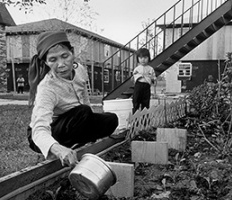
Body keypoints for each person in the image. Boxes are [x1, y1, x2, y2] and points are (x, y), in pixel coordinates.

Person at [27, 31, 118, 167]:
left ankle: (79, 144)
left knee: (111, 119)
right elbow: (39, 129)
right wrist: (58, 149)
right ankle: (58, 150)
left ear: (72, 53)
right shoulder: (47, 88)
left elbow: (85, 98)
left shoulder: (80, 70)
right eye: (53, 60)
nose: (61, 64)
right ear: (46, 62)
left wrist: (92, 125)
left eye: (65, 56)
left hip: (76, 121)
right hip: (49, 132)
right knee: (83, 112)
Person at [132, 48, 156, 114]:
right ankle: (135, 119)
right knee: (136, 101)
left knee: (145, 103)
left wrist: (153, 80)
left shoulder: (150, 69)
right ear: (138, 59)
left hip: (146, 86)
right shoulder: (137, 69)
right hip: (138, 85)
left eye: (145, 57)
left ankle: (145, 120)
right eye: (140, 58)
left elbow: (153, 77)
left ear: (148, 58)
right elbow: (135, 76)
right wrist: (141, 75)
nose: (143, 60)